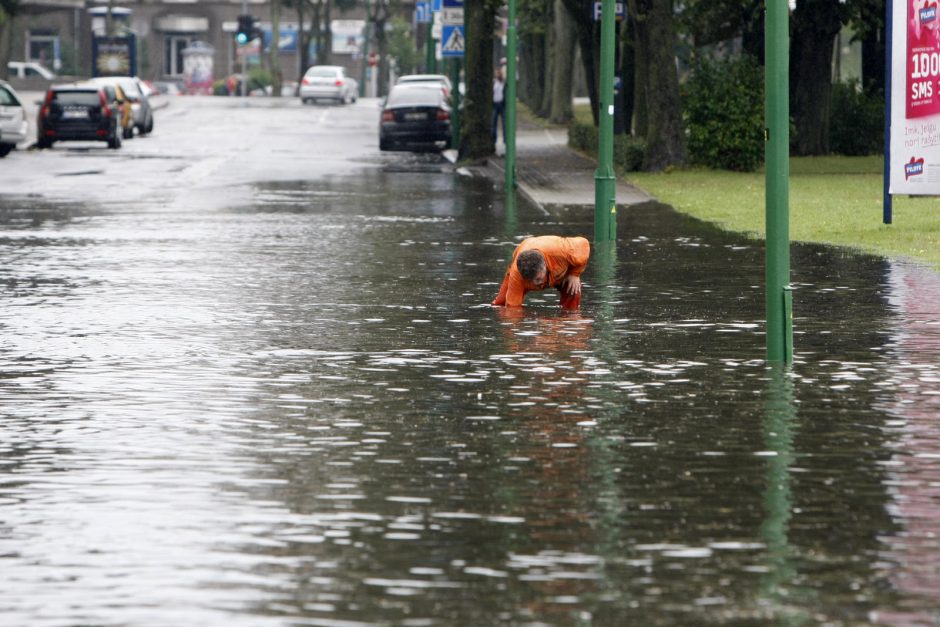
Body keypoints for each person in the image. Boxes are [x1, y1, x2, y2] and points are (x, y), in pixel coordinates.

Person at [492, 235, 591, 309]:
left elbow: (583, 243)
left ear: (544, 264)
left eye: (538, 279)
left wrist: (575, 274)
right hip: (526, 253)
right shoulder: (516, 275)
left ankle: (569, 318)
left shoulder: (563, 252)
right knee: (501, 304)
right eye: (530, 281)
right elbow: (513, 308)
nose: (536, 284)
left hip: (562, 271)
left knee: (573, 289)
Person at [492, 66, 506, 145]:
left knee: (504, 123)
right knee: (493, 123)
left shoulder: (504, 83)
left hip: (502, 104)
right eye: (496, 74)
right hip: (495, 104)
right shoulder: (494, 83)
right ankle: (494, 139)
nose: (497, 75)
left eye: (499, 74)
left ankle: (505, 139)